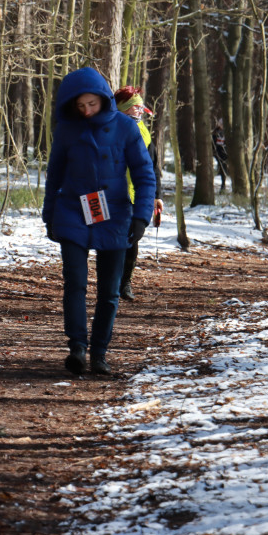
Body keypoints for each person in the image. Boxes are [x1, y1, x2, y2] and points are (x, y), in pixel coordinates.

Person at [42, 67, 156, 376]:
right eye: (80, 106)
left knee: (110, 290)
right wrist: (49, 214)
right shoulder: (67, 129)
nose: (87, 111)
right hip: (72, 211)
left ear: (104, 99)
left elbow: (145, 176)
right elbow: (54, 175)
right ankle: (77, 346)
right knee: (75, 282)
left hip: (115, 213)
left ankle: (99, 352)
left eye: (91, 104)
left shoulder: (126, 128)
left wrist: (141, 217)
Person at [113, 86, 164, 302]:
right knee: (111, 241)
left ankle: (124, 283)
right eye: (136, 108)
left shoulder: (143, 131)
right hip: (111, 196)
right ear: (123, 109)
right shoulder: (108, 128)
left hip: (137, 197)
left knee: (132, 241)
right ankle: (110, 283)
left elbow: (153, 167)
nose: (141, 111)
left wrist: (157, 196)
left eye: (141, 107)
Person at [212, 119, 228, 192]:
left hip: (226, 153)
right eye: (220, 124)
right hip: (219, 153)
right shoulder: (215, 133)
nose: (221, 125)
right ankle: (223, 185)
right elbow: (213, 143)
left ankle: (224, 183)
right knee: (222, 168)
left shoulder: (227, 132)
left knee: (224, 167)